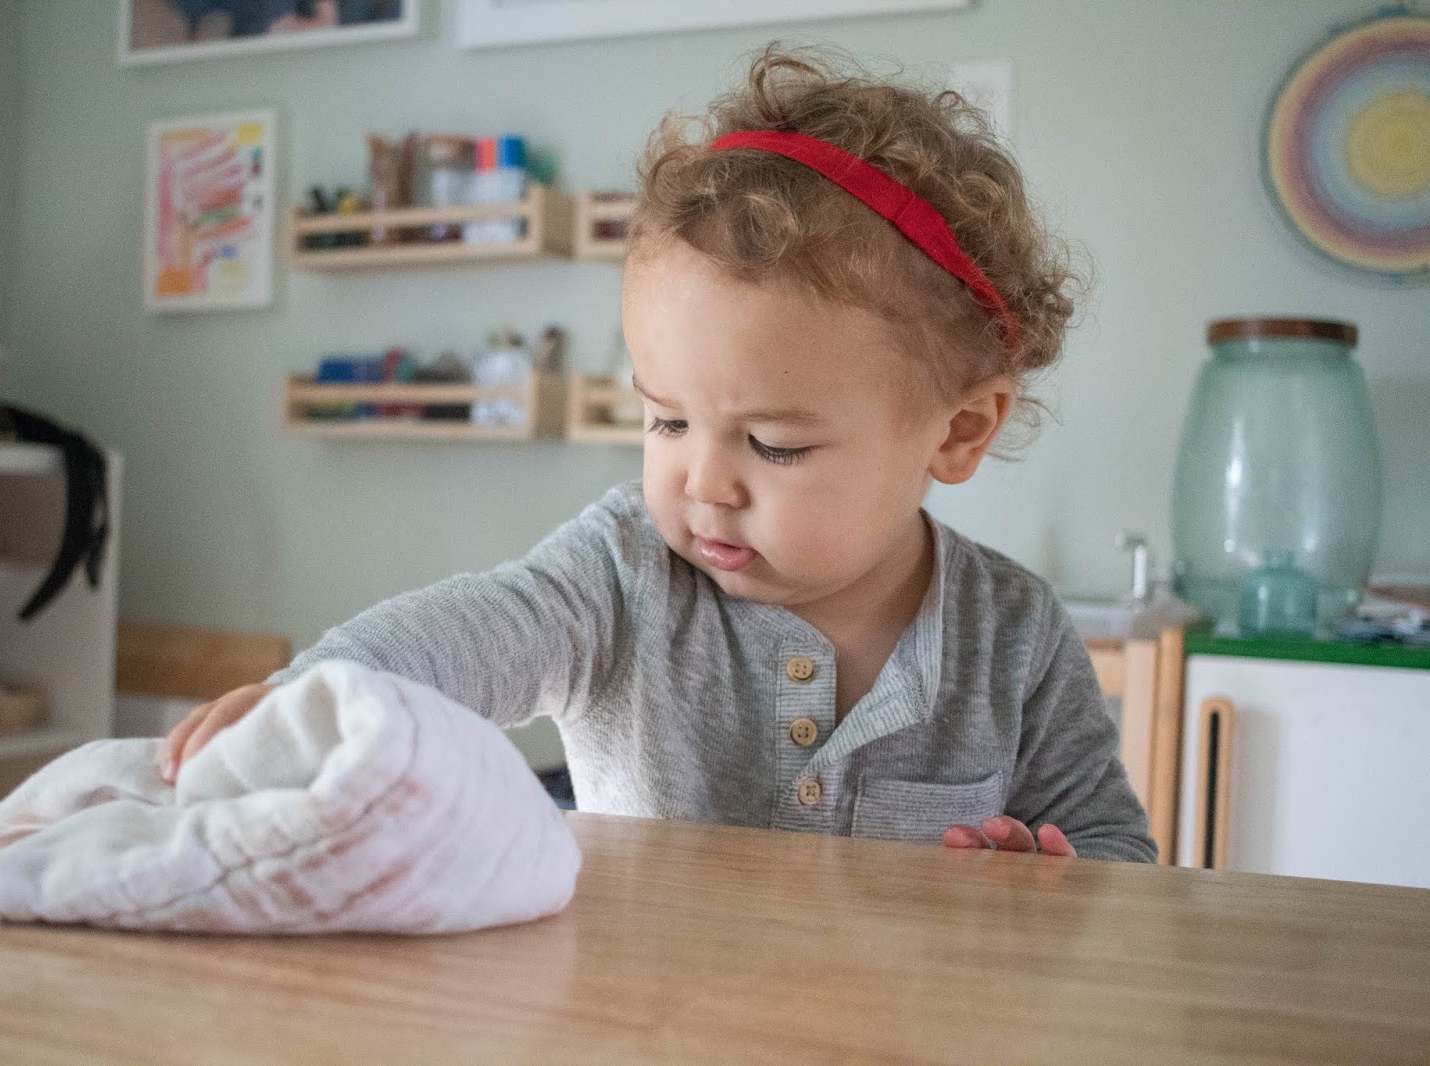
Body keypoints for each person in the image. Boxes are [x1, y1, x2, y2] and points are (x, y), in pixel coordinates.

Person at [161, 45, 1156, 862]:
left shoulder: (1015, 637)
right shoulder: (626, 571)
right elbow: (469, 632)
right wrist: (325, 697)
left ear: (959, 429)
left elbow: (1112, 852)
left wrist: (1049, 883)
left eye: (773, 443)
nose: (702, 482)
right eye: (666, 421)